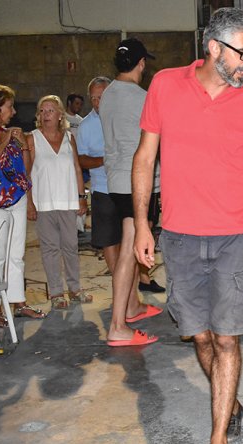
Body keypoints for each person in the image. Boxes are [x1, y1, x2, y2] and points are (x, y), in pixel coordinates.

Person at [131, 7, 243, 444]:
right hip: (178, 238)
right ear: (213, 48)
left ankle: (217, 441)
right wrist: (141, 225)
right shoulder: (164, 87)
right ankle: (229, 397)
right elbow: (144, 157)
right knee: (200, 336)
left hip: (234, 240)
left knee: (227, 337)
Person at [99, 38, 162, 348]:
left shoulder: (108, 93)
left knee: (132, 247)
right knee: (129, 250)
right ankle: (117, 325)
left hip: (116, 180)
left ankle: (133, 307)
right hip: (135, 183)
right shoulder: (142, 97)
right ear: (141, 64)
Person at [0, 84, 46, 324]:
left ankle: (18, 303)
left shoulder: (7, 131)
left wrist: (22, 144)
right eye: (9, 106)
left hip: (17, 198)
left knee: (17, 256)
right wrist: (4, 141)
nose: (13, 112)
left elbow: (23, 169)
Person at [24, 95, 92, 310]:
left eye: (50, 110)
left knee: (71, 246)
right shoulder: (32, 139)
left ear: (60, 114)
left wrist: (82, 198)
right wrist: (29, 203)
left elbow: (77, 169)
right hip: (44, 202)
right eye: (42, 111)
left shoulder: (69, 137)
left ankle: (74, 288)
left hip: (68, 200)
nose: (45, 115)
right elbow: (25, 174)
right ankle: (55, 292)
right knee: (50, 248)